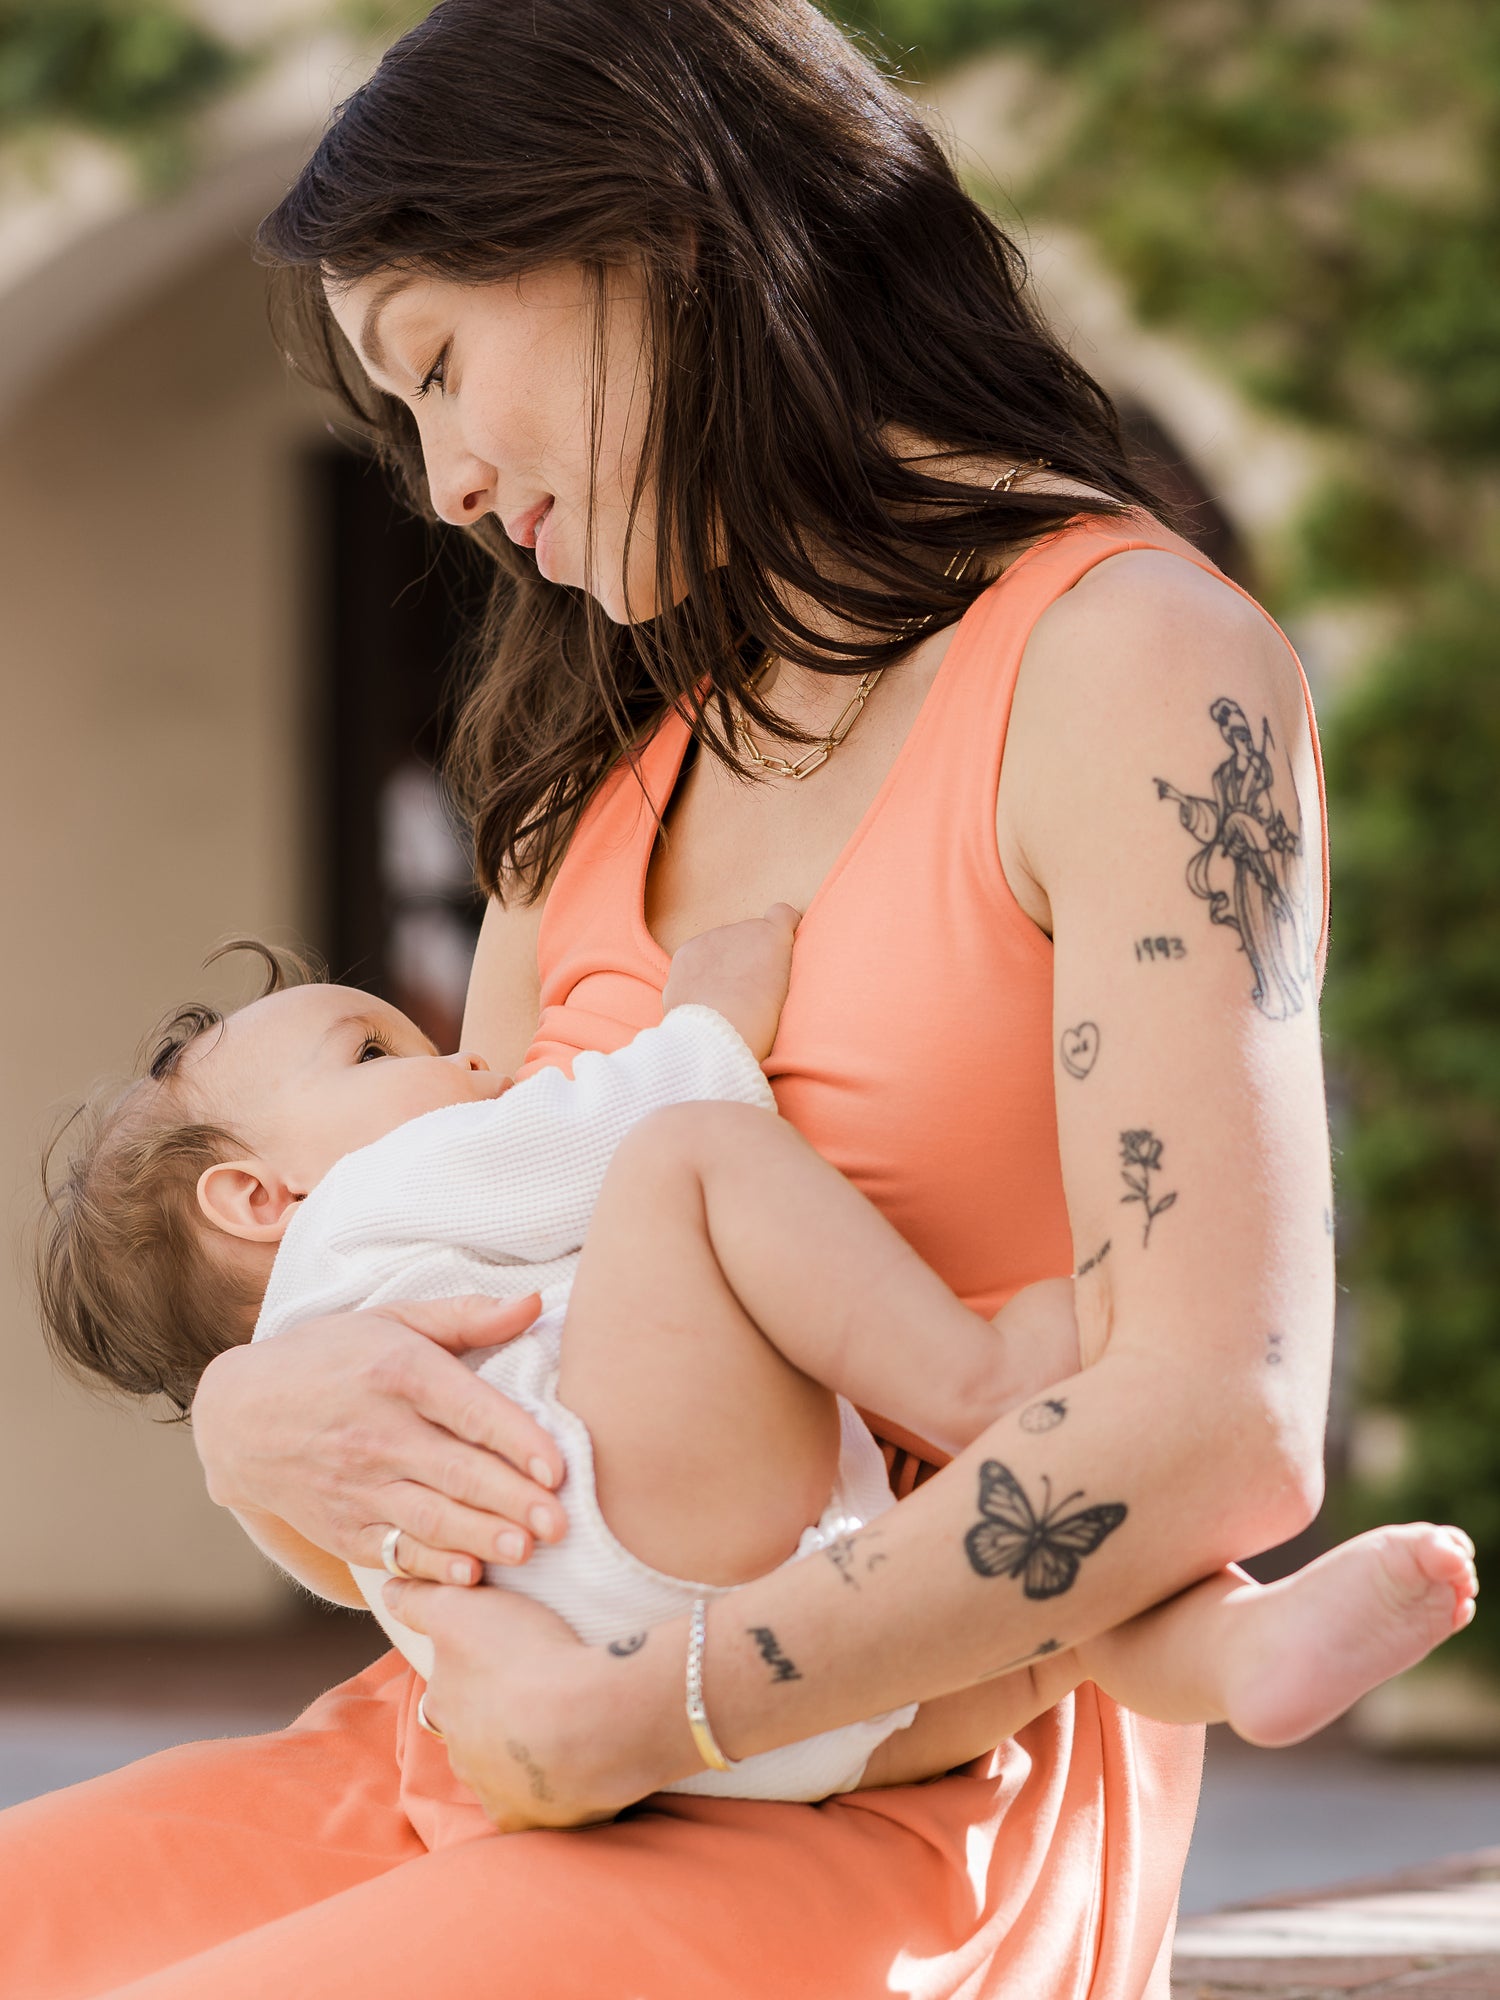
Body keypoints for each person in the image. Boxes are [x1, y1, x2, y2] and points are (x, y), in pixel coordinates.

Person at [0, 1, 1441, 1993]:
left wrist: (661, 1705)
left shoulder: (1135, 672)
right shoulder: (587, 767)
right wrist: (261, 1418)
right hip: (494, 1749)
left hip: (904, 1783)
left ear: (656, 232)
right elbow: (483, 1333)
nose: (441, 483)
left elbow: (1218, 1419)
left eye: (436, 365)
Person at [35, 916, 1478, 1806]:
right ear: (253, 1200)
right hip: (668, 1540)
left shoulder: (323, 1413)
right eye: (375, 1053)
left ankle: (1248, 1652)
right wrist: (710, 1014)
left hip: (750, 1740)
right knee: (688, 1156)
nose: (469, 1065)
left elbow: (348, 1566)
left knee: (1055, 1628)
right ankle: (977, 1386)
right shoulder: (370, 1209)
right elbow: (612, 1130)